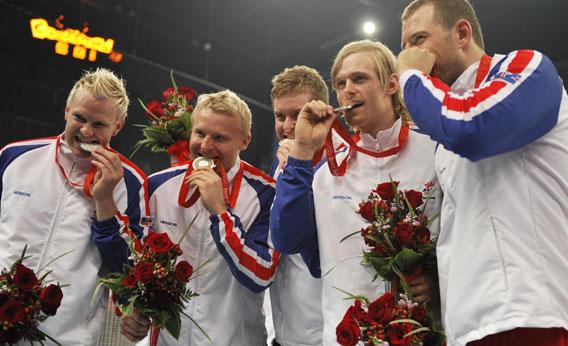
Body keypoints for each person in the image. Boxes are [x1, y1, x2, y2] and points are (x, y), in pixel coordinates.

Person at [398, 0, 568, 345]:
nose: (408, 55)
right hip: (466, 325)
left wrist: (411, 77)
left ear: (462, 33)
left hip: (527, 314)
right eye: (404, 48)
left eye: (418, 40)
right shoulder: (442, 138)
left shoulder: (527, 67)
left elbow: (470, 127)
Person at [269, 40, 441, 345]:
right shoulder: (324, 171)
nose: (348, 89)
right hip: (346, 336)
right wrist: (302, 152)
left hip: (422, 332)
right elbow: (287, 239)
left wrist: (437, 282)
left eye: (359, 79)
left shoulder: (435, 151)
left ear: (391, 85)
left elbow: (464, 234)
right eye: (340, 83)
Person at [0, 68, 149, 345]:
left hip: (67, 338)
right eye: (79, 117)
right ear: (67, 110)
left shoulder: (131, 183)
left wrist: (105, 202)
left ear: (118, 126)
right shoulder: (15, 158)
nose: (86, 131)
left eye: (100, 124)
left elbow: (130, 273)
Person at [120, 90, 280, 345]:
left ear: (244, 141)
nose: (206, 146)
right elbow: (135, 259)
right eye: (200, 133)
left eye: (220, 138)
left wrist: (221, 213)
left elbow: (260, 275)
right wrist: (131, 308)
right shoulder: (156, 186)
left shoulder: (267, 194)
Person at [266, 65, 327, 346]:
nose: (289, 126)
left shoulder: (341, 167)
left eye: (298, 114)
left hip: (327, 336)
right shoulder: (280, 165)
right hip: (284, 332)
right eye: (280, 116)